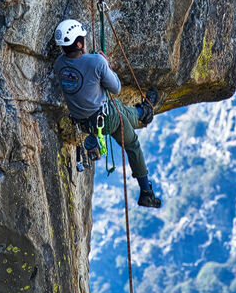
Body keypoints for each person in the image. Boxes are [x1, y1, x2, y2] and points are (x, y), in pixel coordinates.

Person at [53, 18, 162, 208]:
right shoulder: (96, 62)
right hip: (106, 119)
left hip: (83, 123)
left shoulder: (59, 64)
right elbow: (116, 87)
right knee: (132, 143)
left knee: (119, 107)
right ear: (79, 44)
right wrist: (106, 64)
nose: (85, 41)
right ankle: (146, 192)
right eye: (83, 39)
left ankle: (143, 111)